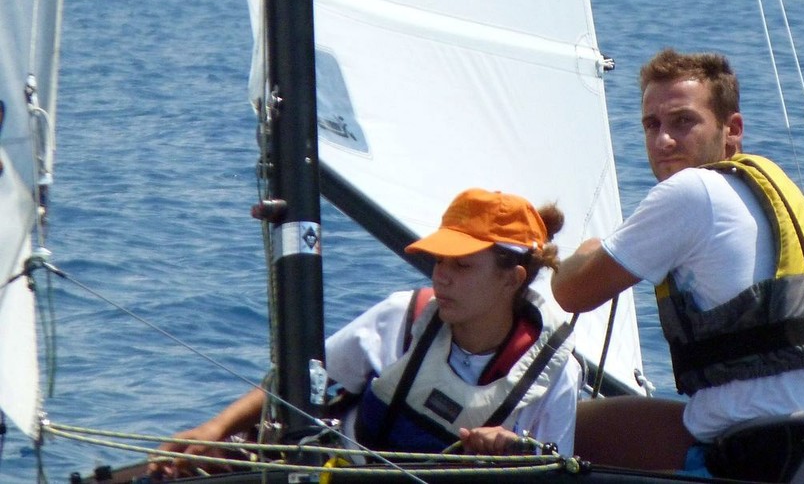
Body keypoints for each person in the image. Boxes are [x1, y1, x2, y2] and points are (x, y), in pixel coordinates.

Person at [551, 50, 804, 483]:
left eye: (682, 122)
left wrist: (588, 248)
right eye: (651, 125)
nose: (663, 142)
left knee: (544, 429)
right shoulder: (792, 209)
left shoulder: (693, 192)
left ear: (731, 130)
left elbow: (571, 293)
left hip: (752, 462)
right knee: (581, 428)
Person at [152, 188, 580, 478]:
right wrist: (216, 428)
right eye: (439, 261)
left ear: (512, 279)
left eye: (462, 265)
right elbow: (297, 382)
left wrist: (511, 450)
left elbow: (554, 470)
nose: (442, 278)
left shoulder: (555, 375)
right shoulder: (401, 317)